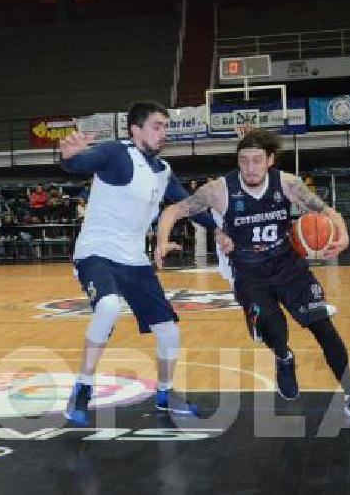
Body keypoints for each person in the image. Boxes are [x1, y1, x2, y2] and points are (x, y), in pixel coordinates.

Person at [155, 128, 350, 421]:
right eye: (244, 161)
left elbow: (328, 212)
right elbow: (174, 210)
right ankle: (283, 357)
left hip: (290, 268)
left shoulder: (288, 184)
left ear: (270, 160)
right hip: (250, 275)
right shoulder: (219, 190)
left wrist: (344, 235)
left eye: (257, 160)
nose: (250, 167)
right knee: (276, 329)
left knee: (324, 328)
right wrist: (162, 240)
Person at [56, 100, 227, 426]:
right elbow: (80, 163)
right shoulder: (116, 153)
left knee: (170, 332)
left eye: (165, 126)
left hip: (134, 260)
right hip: (97, 252)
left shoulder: (163, 172)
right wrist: (69, 157)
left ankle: (165, 393)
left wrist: (217, 229)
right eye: (157, 126)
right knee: (106, 308)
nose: (163, 133)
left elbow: (187, 204)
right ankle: (82, 388)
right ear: (136, 129)